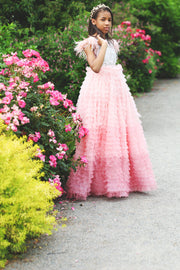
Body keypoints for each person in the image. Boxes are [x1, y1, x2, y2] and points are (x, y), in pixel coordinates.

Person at [66, 4, 157, 200]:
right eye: (102, 20)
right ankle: (93, 183)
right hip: (96, 92)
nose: (107, 23)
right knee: (96, 132)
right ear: (93, 21)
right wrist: (103, 46)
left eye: (109, 20)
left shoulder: (113, 43)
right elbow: (96, 67)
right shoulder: (90, 43)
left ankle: (118, 181)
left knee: (115, 134)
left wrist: (108, 44)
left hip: (115, 91)